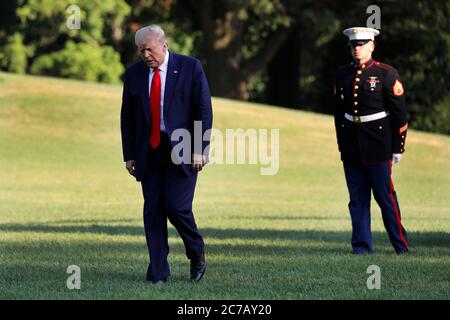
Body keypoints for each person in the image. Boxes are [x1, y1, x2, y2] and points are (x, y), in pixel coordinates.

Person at [120, 25, 213, 283]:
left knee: (177, 207)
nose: (146, 54)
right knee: (153, 211)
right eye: (141, 51)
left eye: (149, 49)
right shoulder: (134, 74)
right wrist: (129, 154)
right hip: (148, 151)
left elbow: (203, 111)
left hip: (182, 149)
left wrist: (200, 149)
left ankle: (197, 253)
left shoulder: (190, 67)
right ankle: (158, 272)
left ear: (164, 45)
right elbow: (127, 117)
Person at [333, 27, 409, 254]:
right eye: (354, 45)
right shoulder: (342, 74)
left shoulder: (386, 73)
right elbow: (338, 113)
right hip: (352, 145)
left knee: (385, 198)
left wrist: (398, 147)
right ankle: (361, 248)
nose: (357, 48)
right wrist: (341, 144)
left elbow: (400, 113)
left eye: (362, 44)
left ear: (372, 46)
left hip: (379, 144)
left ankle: (400, 245)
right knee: (357, 200)